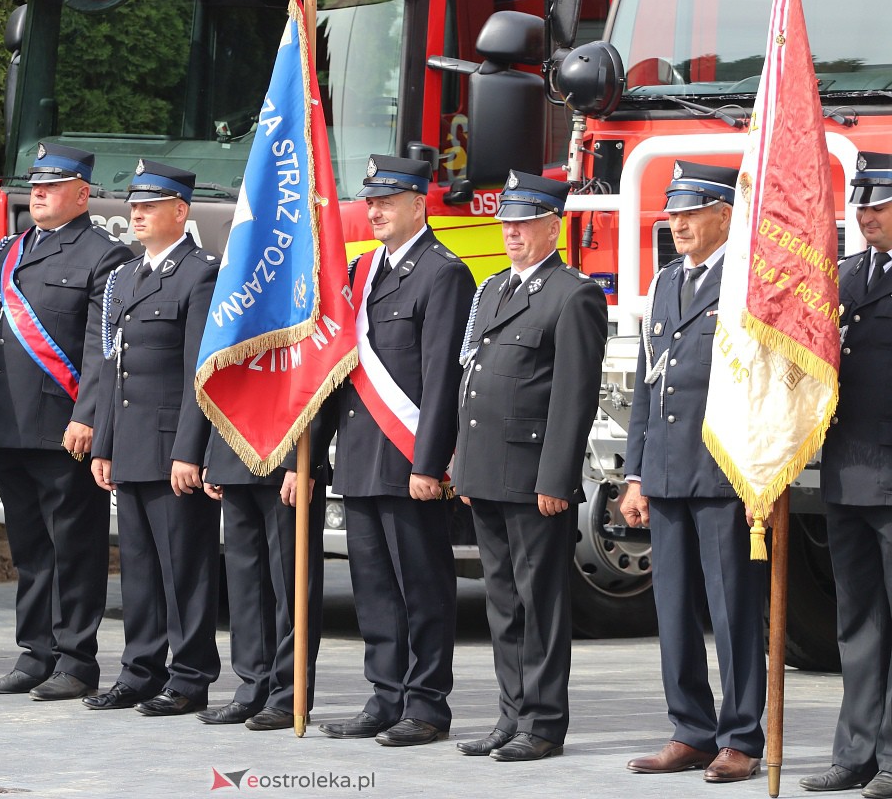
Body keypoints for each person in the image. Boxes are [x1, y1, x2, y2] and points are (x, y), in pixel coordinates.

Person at [319, 154, 474, 747]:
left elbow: (440, 379)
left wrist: (428, 463)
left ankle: (426, 704)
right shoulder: (364, 272)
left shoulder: (443, 273)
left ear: (419, 204)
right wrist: (317, 453)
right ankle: (385, 695)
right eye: (372, 201)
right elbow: (341, 369)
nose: (375, 210)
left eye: (388, 201)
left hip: (409, 459)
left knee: (422, 586)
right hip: (362, 455)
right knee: (375, 587)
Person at [453, 171, 606, 762]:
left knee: (540, 602)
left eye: (524, 223)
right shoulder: (493, 289)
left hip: (533, 477)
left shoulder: (574, 295)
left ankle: (542, 724)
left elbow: (573, 396)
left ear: (552, 225)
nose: (512, 232)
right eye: (507, 223)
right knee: (502, 600)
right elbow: (473, 381)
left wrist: (556, 479)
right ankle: (510, 714)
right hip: (487, 471)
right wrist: (464, 465)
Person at [620, 161, 766, 782]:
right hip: (667, 472)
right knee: (673, 608)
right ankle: (691, 729)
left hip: (723, 471)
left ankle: (741, 736)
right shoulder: (667, 281)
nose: (675, 222)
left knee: (733, 608)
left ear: (723, 215)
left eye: (688, 211)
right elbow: (649, 388)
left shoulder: (747, 282)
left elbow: (765, 385)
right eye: (671, 212)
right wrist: (634, 474)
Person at [0, 142, 131, 700]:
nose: (37, 192)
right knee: (30, 549)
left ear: (82, 193)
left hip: (63, 428)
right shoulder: (8, 253)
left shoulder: (103, 256)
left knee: (74, 548)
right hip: (11, 423)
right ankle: (34, 651)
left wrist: (87, 415)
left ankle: (75, 659)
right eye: (34, 184)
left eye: (52, 184)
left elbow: (102, 348)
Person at [88, 159, 221, 717]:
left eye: (148, 205)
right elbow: (114, 368)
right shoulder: (126, 276)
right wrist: (104, 444)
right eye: (133, 205)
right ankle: (139, 670)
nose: (135, 214)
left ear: (180, 211)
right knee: (139, 567)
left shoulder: (198, 274)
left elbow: (199, 374)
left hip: (171, 448)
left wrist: (189, 450)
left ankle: (190, 676)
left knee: (183, 567)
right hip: (132, 443)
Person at [802, 150, 892, 797]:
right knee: (856, 623)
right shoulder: (843, 275)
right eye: (861, 204)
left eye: (880, 204)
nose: (867, 216)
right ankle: (857, 752)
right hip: (849, 472)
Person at [196, 418, 329, 731]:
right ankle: (253, 688)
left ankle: (288, 696)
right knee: (246, 590)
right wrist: (214, 458)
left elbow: (316, 389)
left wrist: (302, 461)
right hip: (235, 456)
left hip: (286, 458)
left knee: (292, 588)